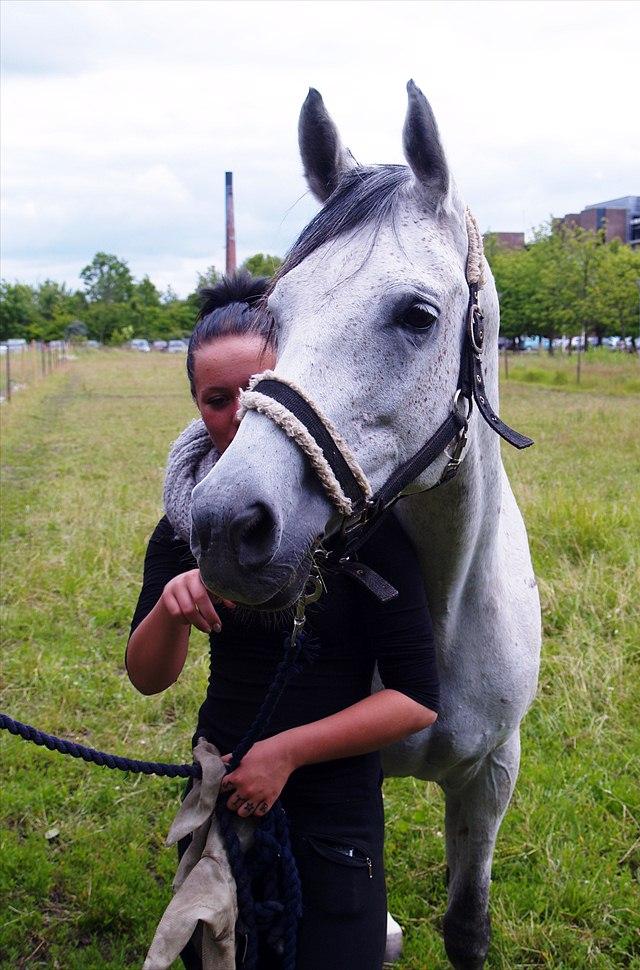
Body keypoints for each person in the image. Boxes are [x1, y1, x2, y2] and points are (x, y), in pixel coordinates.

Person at [126, 271, 439, 969]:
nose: (239, 413)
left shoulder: (367, 526)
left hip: (333, 809)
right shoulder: (187, 526)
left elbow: (416, 700)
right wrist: (172, 612)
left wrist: (286, 753)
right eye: (216, 399)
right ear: (196, 407)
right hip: (224, 787)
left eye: (261, 390)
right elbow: (148, 678)